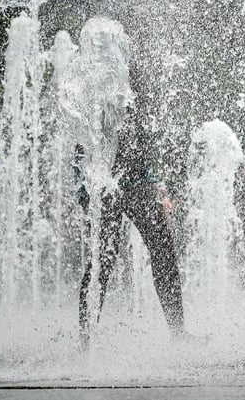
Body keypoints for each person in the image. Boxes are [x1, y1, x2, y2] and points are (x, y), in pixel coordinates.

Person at [77, 131, 186, 348]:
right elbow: (83, 127)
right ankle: (85, 342)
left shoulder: (138, 100)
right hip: (103, 181)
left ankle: (179, 333)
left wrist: (156, 182)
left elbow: (140, 135)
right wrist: (83, 186)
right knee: (101, 261)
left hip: (137, 181)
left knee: (163, 252)